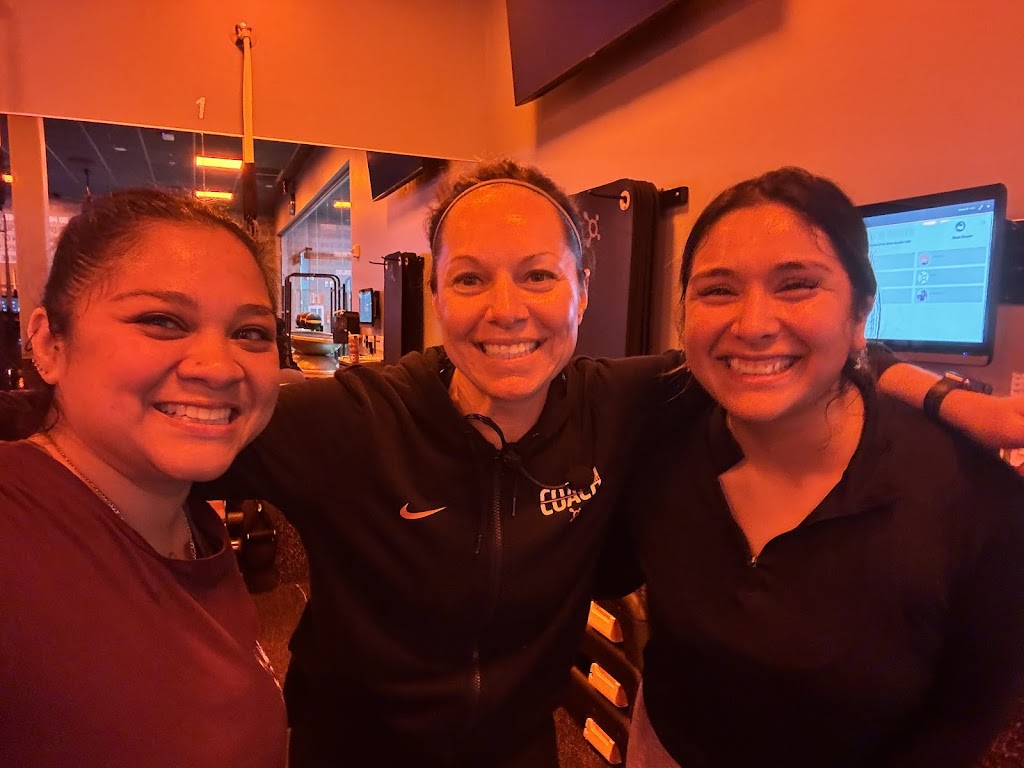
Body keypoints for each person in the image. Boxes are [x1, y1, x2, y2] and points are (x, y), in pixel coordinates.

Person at [202, 159, 1024, 768]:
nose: (506, 310)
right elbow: (172, 439)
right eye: (471, 279)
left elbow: (792, 353)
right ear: (439, 296)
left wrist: (945, 398)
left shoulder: (628, 402)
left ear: (581, 290)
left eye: (538, 276)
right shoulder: (352, 419)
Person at [625, 167, 1024, 767]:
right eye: (718, 290)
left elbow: (965, 719)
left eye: (796, 286)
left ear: (860, 312)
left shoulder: (974, 502)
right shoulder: (657, 433)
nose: (753, 325)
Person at [0, 190, 288, 768]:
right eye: (161, 321)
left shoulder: (190, 524)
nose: (219, 367)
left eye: (251, 333)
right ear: (49, 344)